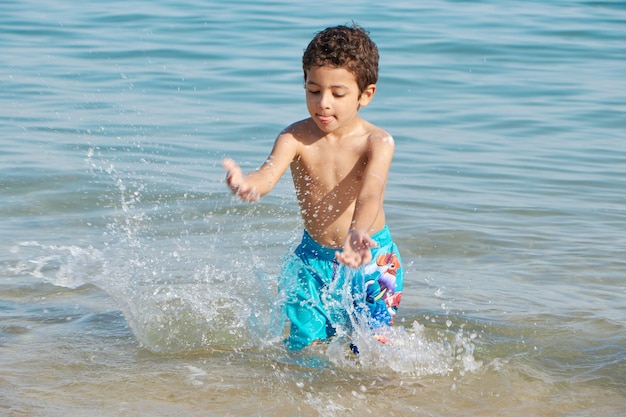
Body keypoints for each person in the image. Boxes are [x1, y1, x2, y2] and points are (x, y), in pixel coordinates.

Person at [223, 24, 403, 351]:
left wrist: (357, 233)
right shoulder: (295, 138)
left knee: (370, 352)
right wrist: (247, 184)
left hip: (371, 257)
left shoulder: (377, 142)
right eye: (313, 90)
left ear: (366, 94)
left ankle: (376, 401)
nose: (323, 103)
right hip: (311, 260)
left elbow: (370, 193)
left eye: (338, 93)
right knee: (304, 348)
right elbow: (267, 174)